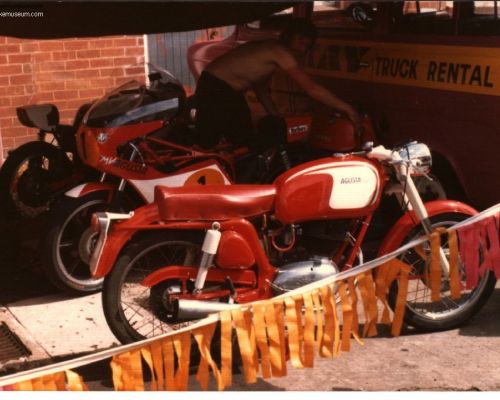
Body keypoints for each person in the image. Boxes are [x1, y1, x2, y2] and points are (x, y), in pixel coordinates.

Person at [194, 18, 361, 150]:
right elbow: (311, 88)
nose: (303, 46)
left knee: (240, 137)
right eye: (300, 39)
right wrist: (347, 108)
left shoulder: (272, 50)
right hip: (218, 87)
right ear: (288, 36)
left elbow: (261, 89)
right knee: (219, 140)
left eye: (307, 43)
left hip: (221, 87)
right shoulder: (279, 52)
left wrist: (276, 117)